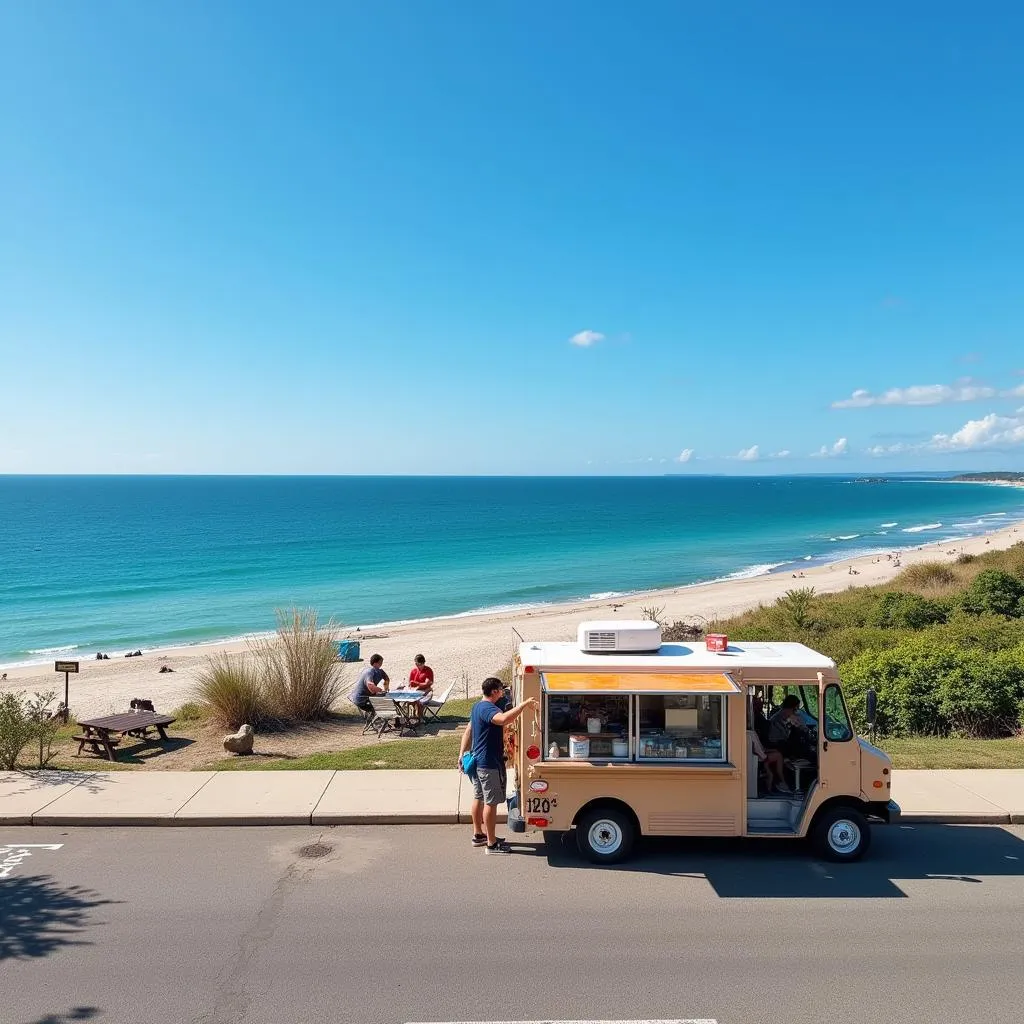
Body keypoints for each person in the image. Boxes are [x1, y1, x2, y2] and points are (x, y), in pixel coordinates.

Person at [458, 677, 537, 854]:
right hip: (488, 764)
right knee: (491, 803)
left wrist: (462, 754)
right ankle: (492, 844)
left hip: (477, 761)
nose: (503, 692)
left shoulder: (477, 706)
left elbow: (468, 731)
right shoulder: (488, 708)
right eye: (501, 689)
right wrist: (524, 705)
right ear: (494, 692)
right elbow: (502, 720)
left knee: (479, 797)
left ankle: (479, 835)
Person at [767, 695, 814, 768]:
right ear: (792, 706)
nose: (797, 710)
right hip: (779, 743)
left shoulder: (783, 715)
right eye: (796, 708)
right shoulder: (781, 718)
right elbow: (785, 735)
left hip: (782, 742)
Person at [407, 654, 434, 721]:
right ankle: (411, 717)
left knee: (420, 701)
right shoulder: (414, 671)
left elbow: (427, 683)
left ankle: (419, 717)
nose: (417, 666)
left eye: (419, 664)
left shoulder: (428, 670)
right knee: (409, 700)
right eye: (416, 664)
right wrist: (412, 686)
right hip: (415, 691)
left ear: (423, 663)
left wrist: (417, 684)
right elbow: (410, 683)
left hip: (426, 691)